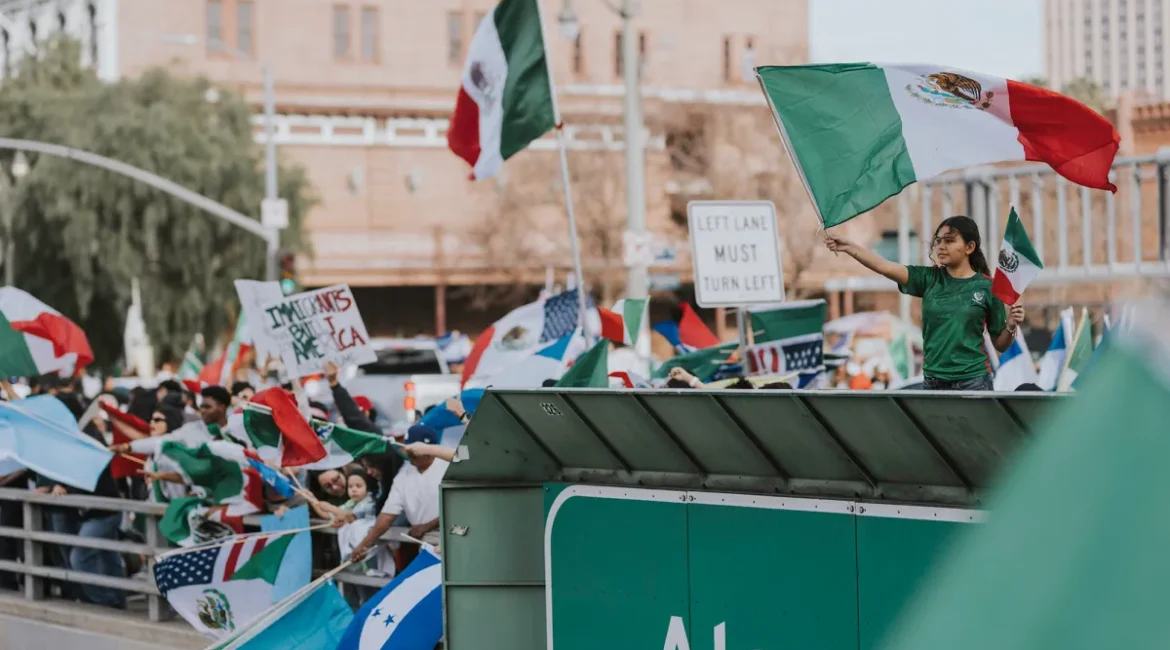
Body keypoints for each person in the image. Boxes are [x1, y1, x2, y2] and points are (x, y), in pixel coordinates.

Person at [825, 216, 1025, 391]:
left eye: (949, 241)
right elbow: (884, 266)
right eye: (938, 241)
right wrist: (850, 247)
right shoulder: (928, 279)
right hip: (933, 382)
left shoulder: (988, 287)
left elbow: (1000, 344)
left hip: (972, 382)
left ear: (969, 247)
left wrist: (1011, 325)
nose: (940, 246)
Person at [348, 424, 449, 563]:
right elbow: (387, 515)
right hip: (424, 545)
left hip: (449, 539)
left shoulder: (448, 468)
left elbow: (459, 507)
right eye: (407, 449)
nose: (408, 454)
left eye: (414, 450)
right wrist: (365, 544)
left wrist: (427, 526)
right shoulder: (404, 473)